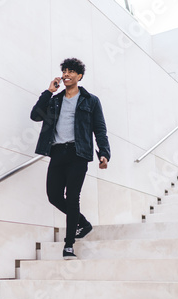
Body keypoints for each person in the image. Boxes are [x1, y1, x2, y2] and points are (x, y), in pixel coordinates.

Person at [30, 58, 111, 260]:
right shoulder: (55, 100)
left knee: (73, 196)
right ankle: (82, 223)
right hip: (57, 152)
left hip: (78, 153)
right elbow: (35, 116)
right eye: (64, 71)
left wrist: (104, 153)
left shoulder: (90, 100)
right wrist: (49, 91)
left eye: (71, 71)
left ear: (79, 76)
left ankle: (68, 245)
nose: (66, 74)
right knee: (54, 196)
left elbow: (100, 129)